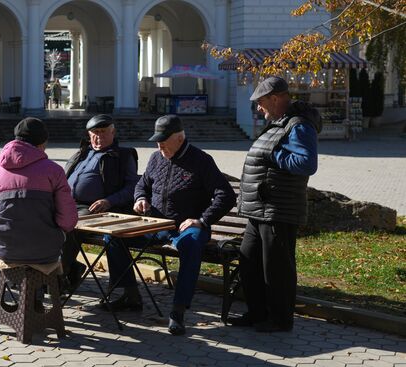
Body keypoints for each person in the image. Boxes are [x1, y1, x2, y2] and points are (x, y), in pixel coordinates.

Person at [105, 115, 236, 336]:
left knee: (192, 244)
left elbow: (226, 195)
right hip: (155, 225)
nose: (159, 145)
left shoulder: (201, 160)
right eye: (157, 140)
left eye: (163, 140)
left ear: (179, 138)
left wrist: (202, 220)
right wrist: (140, 199)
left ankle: (178, 311)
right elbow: (142, 185)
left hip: (186, 226)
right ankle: (130, 294)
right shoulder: (157, 158)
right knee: (114, 236)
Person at [229, 76, 322, 332]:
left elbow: (306, 163)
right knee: (249, 262)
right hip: (260, 209)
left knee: (277, 269)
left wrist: (274, 154)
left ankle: (281, 319)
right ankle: (257, 313)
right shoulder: (279, 124)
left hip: (278, 210)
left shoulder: (299, 126)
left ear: (276, 98)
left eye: (261, 102)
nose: (259, 108)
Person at [61, 114, 139, 291]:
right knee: (40, 222)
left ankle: (58, 276)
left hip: (95, 208)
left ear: (113, 133)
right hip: (68, 204)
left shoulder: (123, 155)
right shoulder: (81, 153)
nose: (98, 137)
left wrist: (109, 201)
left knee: (69, 226)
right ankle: (68, 268)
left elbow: (133, 186)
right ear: (89, 134)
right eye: (94, 132)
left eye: (103, 132)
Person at [0, 117, 78, 265]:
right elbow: (67, 220)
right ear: (43, 143)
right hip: (45, 250)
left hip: (4, 249)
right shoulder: (54, 170)